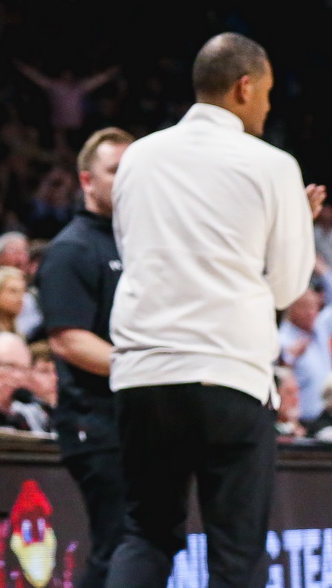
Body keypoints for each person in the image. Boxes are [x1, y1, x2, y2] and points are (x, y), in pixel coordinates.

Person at [104, 34, 322, 588]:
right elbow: (287, 287)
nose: (268, 107)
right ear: (244, 87)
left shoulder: (138, 157)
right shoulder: (273, 165)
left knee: (145, 534)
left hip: (144, 374)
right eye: (266, 93)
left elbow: (131, 251)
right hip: (228, 375)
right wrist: (293, 224)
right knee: (235, 554)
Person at [33, 125, 131, 588]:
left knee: (144, 544)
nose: (127, 180)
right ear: (87, 181)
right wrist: (149, 369)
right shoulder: (72, 248)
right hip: (96, 421)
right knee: (119, 545)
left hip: (138, 417)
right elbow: (69, 340)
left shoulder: (140, 241)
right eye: (115, 170)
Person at [278, 283, 331, 426]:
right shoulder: (281, 340)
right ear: (291, 307)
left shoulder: (319, 329)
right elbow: (278, 376)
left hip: (325, 416)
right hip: (300, 421)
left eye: (315, 307)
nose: (311, 312)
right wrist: (288, 357)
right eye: (305, 307)